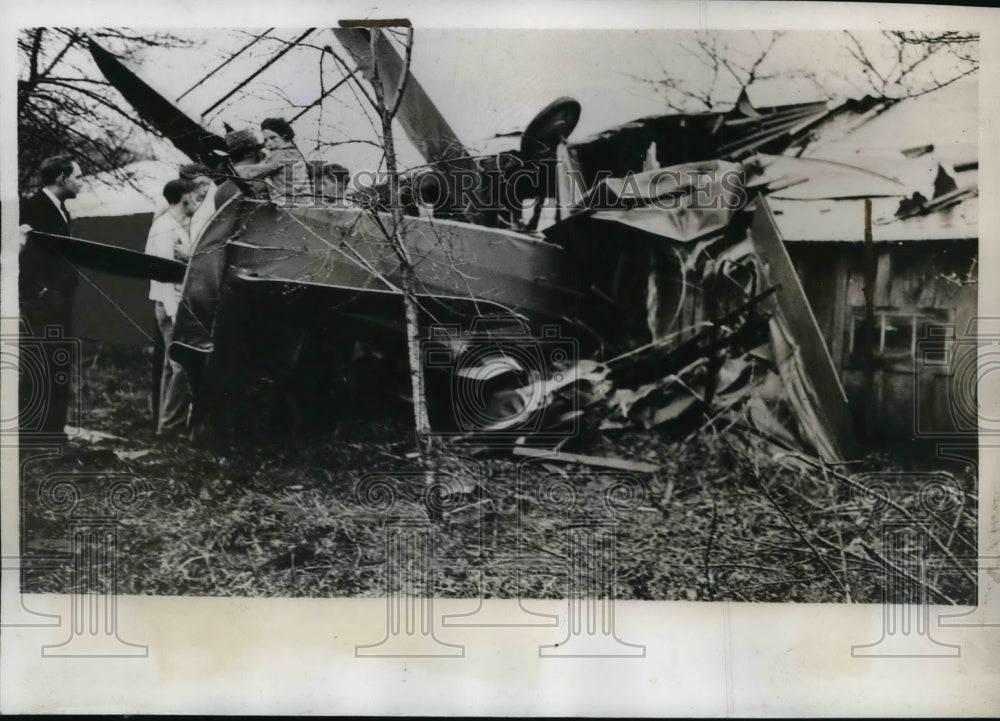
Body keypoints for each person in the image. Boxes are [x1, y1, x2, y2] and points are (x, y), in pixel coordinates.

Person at [18, 155, 84, 441]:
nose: (81, 182)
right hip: (43, 304)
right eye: (78, 176)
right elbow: (24, 256)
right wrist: (39, 292)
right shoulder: (32, 208)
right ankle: (33, 431)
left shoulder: (61, 210)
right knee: (40, 365)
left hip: (60, 302)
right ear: (61, 178)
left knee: (57, 363)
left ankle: (52, 429)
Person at [145, 178, 198, 437]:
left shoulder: (174, 224)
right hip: (170, 303)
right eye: (195, 198)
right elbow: (164, 274)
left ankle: (165, 424)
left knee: (171, 365)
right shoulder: (165, 227)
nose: (197, 203)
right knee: (181, 365)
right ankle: (170, 426)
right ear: (185, 197)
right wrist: (175, 312)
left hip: (172, 302)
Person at [232, 117, 311, 205]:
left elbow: (254, 171)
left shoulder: (283, 154)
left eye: (273, 138)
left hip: (292, 206)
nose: (268, 143)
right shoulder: (293, 153)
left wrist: (233, 170)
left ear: (284, 136)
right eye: (265, 140)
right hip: (301, 204)